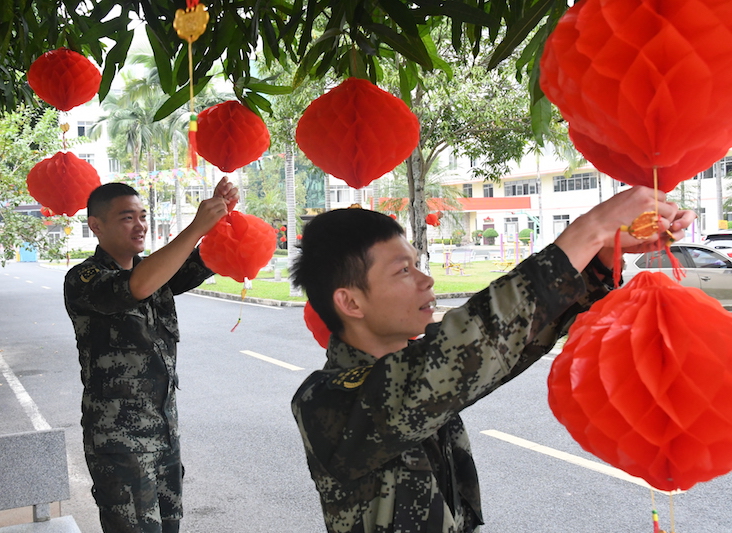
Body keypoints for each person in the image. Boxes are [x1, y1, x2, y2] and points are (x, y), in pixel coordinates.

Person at [289, 186, 695, 533]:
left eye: (417, 263)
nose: (425, 279)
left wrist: (601, 257)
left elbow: (503, 347)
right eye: (402, 271)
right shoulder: (327, 401)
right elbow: (467, 347)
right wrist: (587, 231)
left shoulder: (416, 367)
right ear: (350, 301)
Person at [64, 177, 238, 533]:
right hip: (120, 445)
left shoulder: (157, 273)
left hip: (164, 436)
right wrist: (196, 226)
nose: (140, 224)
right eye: (127, 217)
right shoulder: (84, 279)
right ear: (95, 226)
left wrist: (222, 216)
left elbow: (208, 257)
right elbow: (137, 286)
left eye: (143, 216)